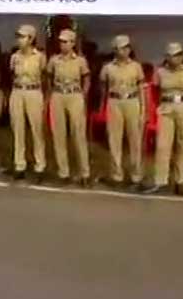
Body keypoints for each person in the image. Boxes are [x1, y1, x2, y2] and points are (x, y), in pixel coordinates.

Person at [147, 42, 183, 195]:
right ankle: (161, 180)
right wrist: (158, 106)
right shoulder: (160, 72)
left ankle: (179, 180)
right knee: (163, 145)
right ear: (167, 57)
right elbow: (155, 90)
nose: (175, 58)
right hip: (166, 107)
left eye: (178, 55)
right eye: (171, 55)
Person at [99, 34, 146, 189]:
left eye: (127, 47)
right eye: (121, 47)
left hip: (132, 101)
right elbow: (103, 89)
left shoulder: (136, 67)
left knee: (135, 140)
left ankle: (136, 176)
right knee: (115, 140)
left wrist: (143, 109)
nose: (125, 50)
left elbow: (141, 89)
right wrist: (103, 107)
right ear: (115, 50)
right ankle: (116, 175)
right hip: (114, 102)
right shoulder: (108, 68)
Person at [47, 29, 92, 188]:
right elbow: (49, 77)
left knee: (78, 134)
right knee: (58, 134)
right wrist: (51, 95)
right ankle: (63, 172)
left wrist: (83, 96)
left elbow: (86, 78)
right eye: (61, 41)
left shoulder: (80, 61)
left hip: (75, 96)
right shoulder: (54, 60)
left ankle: (84, 173)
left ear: (73, 43)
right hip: (58, 95)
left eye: (66, 42)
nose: (63, 45)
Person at [8, 24, 47, 182]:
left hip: (34, 92)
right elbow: (11, 74)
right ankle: (19, 165)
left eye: (23, 37)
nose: (19, 40)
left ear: (31, 39)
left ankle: (40, 166)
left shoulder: (40, 57)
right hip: (17, 92)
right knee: (18, 129)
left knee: (36, 130)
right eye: (18, 36)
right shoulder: (15, 57)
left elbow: (45, 76)